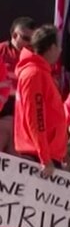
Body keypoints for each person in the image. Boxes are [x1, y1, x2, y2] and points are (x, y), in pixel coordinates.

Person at [14, 25, 70, 227]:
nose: (61, 50)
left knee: (49, 212)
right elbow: (37, 119)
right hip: (37, 155)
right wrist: (45, 157)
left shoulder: (39, 72)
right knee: (35, 211)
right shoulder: (34, 73)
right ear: (51, 47)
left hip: (45, 152)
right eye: (59, 45)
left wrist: (57, 151)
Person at [0, 16, 37, 155]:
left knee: (16, 155)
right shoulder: (1, 52)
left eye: (33, 40)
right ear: (14, 35)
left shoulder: (35, 56)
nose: (30, 44)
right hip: (4, 107)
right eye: (26, 39)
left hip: (24, 110)